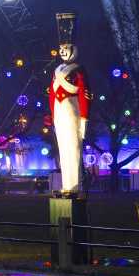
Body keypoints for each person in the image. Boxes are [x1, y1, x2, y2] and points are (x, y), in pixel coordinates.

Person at [49, 13, 91, 197]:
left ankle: (74, 186)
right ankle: (66, 185)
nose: (63, 51)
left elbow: (84, 93)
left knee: (73, 148)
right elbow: (51, 95)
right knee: (63, 149)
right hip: (60, 113)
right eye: (61, 48)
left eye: (66, 47)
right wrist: (53, 116)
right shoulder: (57, 70)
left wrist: (84, 118)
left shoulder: (78, 70)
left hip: (72, 110)